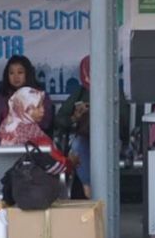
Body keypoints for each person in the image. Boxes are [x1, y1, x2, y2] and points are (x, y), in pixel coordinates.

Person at [53, 55, 131, 194]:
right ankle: (88, 188)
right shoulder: (80, 92)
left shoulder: (114, 91)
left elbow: (123, 122)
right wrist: (75, 117)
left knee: (99, 148)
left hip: (110, 139)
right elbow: (60, 120)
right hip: (85, 136)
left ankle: (100, 192)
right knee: (78, 146)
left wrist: (102, 113)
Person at [0, 87, 81, 196]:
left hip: (9, 189)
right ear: (26, 108)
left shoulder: (5, 128)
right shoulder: (34, 134)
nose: (43, 110)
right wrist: (71, 163)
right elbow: (55, 164)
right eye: (38, 107)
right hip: (34, 190)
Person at [0, 55, 54, 140]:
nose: (16, 77)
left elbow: (46, 123)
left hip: (34, 139)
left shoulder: (39, 96)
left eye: (20, 72)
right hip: (3, 139)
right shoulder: (0, 97)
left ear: (27, 73)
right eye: (11, 73)